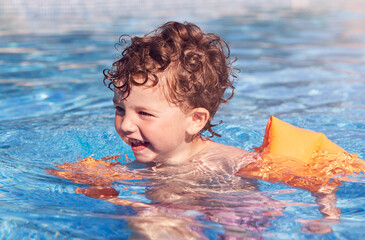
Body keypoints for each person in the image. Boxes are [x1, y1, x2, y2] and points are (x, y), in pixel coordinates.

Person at [102, 21, 259, 173]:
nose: (125, 125)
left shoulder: (230, 163)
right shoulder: (146, 165)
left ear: (195, 119)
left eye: (144, 113)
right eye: (120, 109)